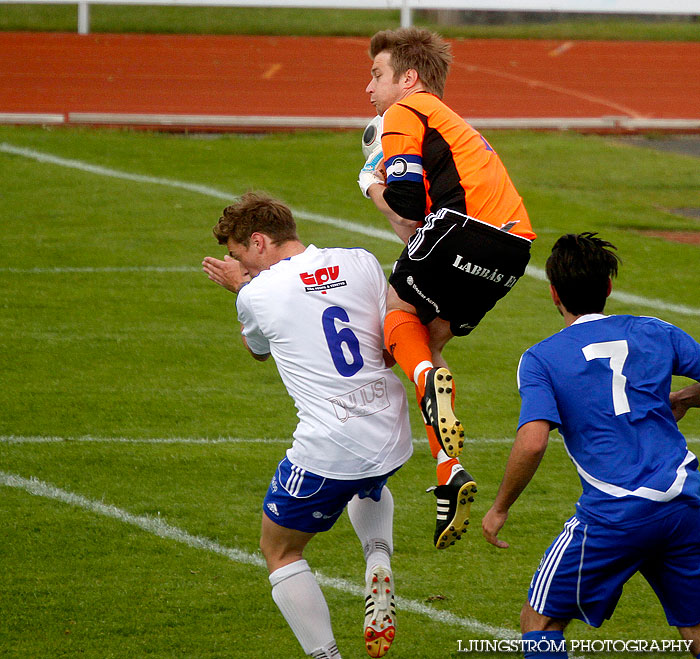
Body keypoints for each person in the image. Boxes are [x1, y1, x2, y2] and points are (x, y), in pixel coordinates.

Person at [202, 192, 413, 659]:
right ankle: (378, 557)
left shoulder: (256, 293)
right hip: (392, 428)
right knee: (368, 481)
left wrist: (242, 288)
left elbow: (258, 352)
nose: (241, 267)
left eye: (240, 256)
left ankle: (325, 656)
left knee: (279, 551)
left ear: (258, 241)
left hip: (330, 445)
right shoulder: (359, 260)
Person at [482, 232, 700, 659]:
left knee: (539, 621)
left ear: (553, 294)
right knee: (694, 626)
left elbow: (532, 443)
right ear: (609, 287)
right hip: (685, 499)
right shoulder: (655, 330)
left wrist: (500, 506)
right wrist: (683, 398)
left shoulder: (542, 358)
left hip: (616, 512)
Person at [358, 27, 536, 550]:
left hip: (462, 230)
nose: (369, 89)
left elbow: (411, 207)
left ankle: (421, 389)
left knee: (394, 311)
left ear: (408, 79)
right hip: (514, 248)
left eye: (376, 75)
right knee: (427, 345)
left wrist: (373, 186)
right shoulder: (453, 123)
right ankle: (447, 468)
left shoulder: (403, 113)